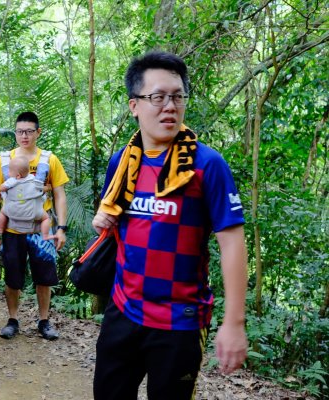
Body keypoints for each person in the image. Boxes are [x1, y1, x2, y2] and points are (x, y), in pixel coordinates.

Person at [91, 51, 248, 400]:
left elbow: (232, 242)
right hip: (124, 309)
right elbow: (116, 223)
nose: (169, 106)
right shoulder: (122, 162)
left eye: (177, 96)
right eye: (157, 97)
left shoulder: (207, 165)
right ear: (134, 106)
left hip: (181, 320)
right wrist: (102, 220)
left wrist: (234, 323)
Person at [0, 111, 69, 340]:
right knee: (13, 278)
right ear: (15, 132)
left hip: (39, 231)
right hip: (12, 231)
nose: (24, 136)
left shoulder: (49, 160)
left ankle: (44, 321)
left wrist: (61, 228)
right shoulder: (4, 161)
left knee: (44, 277)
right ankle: (12, 319)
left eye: (29, 131)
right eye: (20, 131)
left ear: (37, 132)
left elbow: (60, 194)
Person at [0, 155, 51, 239]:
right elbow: (42, 189)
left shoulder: (11, 181)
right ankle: (45, 235)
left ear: (18, 175)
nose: (8, 173)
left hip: (12, 210)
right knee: (46, 218)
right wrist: (48, 187)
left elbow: (1, 188)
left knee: (3, 213)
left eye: (10, 171)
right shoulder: (34, 180)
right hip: (33, 212)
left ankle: (0, 229)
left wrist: (3, 186)